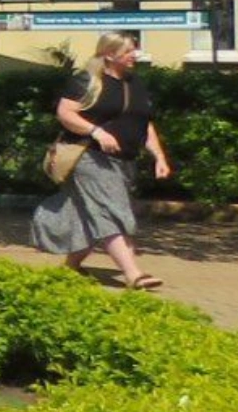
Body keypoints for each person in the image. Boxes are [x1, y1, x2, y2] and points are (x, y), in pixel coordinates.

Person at [40, 30, 172, 289]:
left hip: (125, 161)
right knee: (113, 211)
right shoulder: (87, 80)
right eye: (128, 51)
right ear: (110, 54)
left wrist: (159, 155)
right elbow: (65, 113)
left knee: (90, 216)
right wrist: (96, 132)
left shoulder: (135, 84)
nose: (134, 55)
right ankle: (133, 274)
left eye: (134, 50)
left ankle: (70, 269)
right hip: (90, 157)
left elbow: (144, 124)